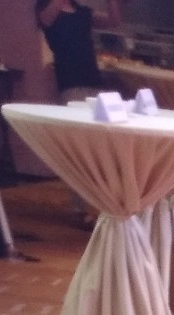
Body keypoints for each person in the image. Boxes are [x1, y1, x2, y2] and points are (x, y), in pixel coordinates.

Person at [36, 0, 119, 221]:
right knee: (78, 147)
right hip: (70, 82)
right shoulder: (46, 9)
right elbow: (46, 20)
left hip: (93, 81)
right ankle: (82, 208)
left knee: (98, 147)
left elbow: (113, 21)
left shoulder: (83, 12)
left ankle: (98, 204)